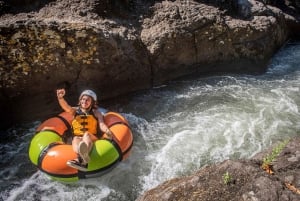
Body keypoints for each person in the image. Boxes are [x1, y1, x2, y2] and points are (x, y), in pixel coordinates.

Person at [56, 88, 113, 171]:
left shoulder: (96, 112)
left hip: (92, 137)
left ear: (92, 102)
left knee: (86, 134)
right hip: (78, 137)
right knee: (75, 139)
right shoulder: (74, 111)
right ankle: (82, 159)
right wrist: (60, 98)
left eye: (88, 100)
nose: (85, 101)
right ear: (80, 100)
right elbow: (66, 107)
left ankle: (81, 160)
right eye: (83, 99)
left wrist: (107, 131)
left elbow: (101, 124)